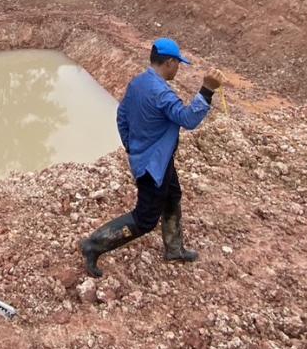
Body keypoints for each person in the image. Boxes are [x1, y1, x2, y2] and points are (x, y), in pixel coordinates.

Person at [78, 38, 224, 278]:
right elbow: (188, 120)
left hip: (157, 159)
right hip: (153, 165)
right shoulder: (163, 94)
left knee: (172, 196)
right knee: (145, 219)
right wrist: (207, 90)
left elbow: (122, 115)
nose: (178, 68)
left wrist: (130, 145)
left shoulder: (138, 83)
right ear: (169, 62)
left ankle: (174, 248)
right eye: (178, 64)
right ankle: (94, 245)